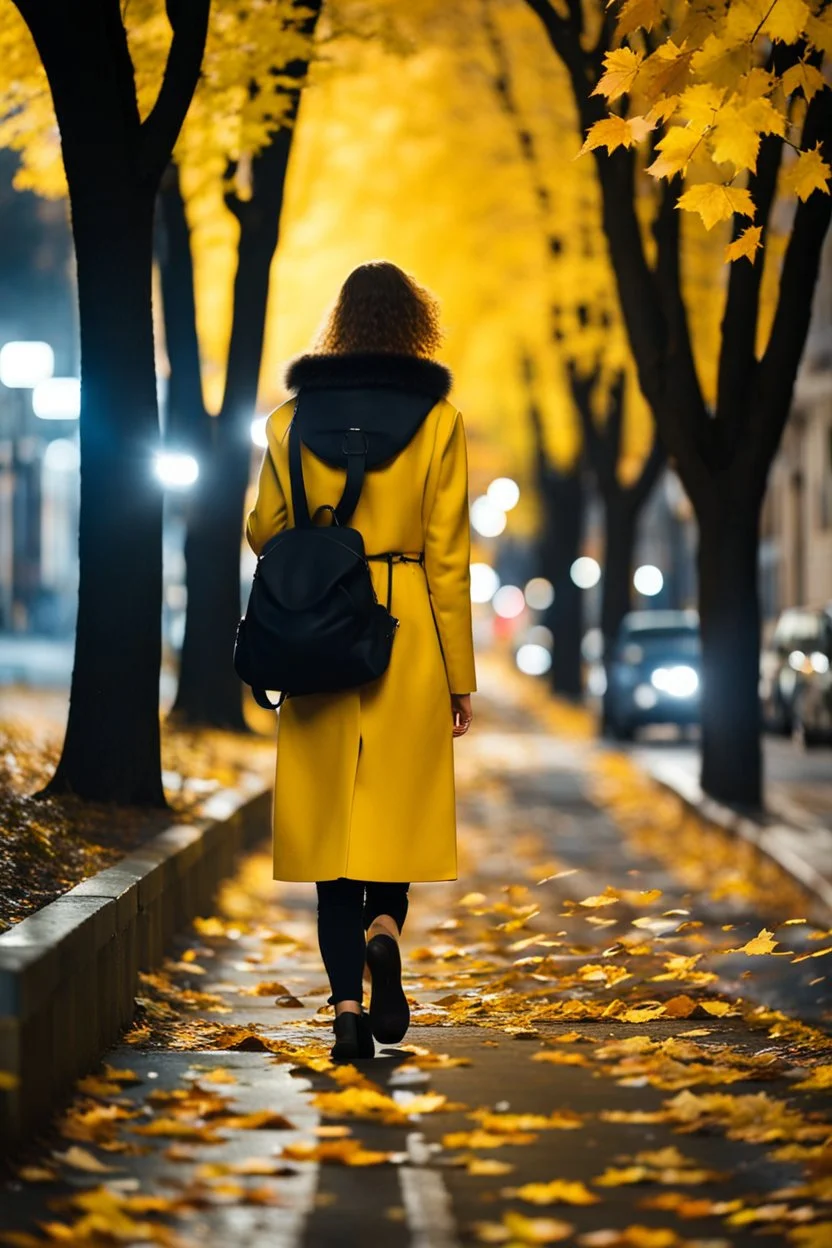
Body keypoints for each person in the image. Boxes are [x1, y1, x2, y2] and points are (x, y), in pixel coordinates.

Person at [245, 261, 477, 1061]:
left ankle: (346, 1015)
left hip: (321, 625)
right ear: (416, 326)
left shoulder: (289, 423)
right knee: (393, 811)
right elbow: (449, 558)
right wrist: (460, 677)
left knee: (330, 833)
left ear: (339, 324)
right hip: (407, 622)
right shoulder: (439, 423)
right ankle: (387, 925)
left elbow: (263, 528)